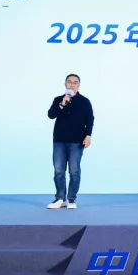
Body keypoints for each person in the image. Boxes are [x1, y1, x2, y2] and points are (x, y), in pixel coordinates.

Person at [47, 74, 93, 209]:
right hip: (59, 141)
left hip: (77, 141)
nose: (72, 84)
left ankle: (71, 199)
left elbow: (90, 119)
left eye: (75, 82)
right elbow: (51, 115)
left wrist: (88, 136)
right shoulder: (58, 99)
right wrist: (62, 104)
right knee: (58, 171)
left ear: (79, 85)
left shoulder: (85, 101)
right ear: (65, 84)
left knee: (74, 171)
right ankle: (60, 199)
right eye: (69, 82)